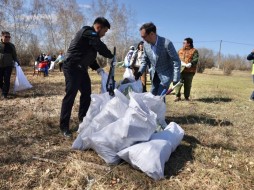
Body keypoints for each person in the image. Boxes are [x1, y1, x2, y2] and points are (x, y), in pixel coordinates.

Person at [59, 17, 114, 137]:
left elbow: (89, 57)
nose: (104, 35)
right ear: (98, 27)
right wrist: (110, 55)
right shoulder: (87, 31)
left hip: (82, 69)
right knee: (70, 95)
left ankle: (83, 120)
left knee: (86, 94)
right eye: (104, 31)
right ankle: (64, 126)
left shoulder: (91, 38)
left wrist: (98, 68)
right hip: (72, 66)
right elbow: (99, 45)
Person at [135, 22, 181, 96]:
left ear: (152, 34)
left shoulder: (166, 43)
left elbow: (176, 61)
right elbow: (144, 59)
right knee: (152, 95)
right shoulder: (146, 45)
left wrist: (176, 78)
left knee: (160, 97)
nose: (143, 39)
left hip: (166, 75)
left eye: (144, 37)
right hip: (154, 75)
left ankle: (160, 107)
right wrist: (140, 72)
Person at [0, 31, 20, 99]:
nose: (8, 38)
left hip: (8, 66)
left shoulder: (11, 46)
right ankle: (3, 89)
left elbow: (14, 55)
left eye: (9, 37)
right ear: (2, 37)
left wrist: (17, 61)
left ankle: (4, 94)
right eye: (6, 36)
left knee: (7, 80)